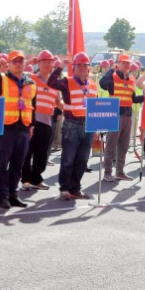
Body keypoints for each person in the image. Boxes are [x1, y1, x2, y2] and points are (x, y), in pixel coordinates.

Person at [0, 49, 35, 209]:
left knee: (18, 164)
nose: (18, 64)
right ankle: (3, 197)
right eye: (14, 61)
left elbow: (31, 105)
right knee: (3, 164)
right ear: (8, 64)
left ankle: (13, 194)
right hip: (6, 127)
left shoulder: (29, 82)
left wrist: (32, 125)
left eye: (20, 61)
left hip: (23, 128)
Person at [49, 52, 95, 200]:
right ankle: (65, 189)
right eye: (79, 65)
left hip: (88, 126)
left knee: (82, 160)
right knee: (68, 159)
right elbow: (51, 83)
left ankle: (75, 189)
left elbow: (95, 106)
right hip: (72, 126)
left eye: (85, 65)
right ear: (74, 67)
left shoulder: (93, 85)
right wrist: (60, 66)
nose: (82, 68)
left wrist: (95, 128)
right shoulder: (67, 82)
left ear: (88, 68)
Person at [99, 53, 144, 182]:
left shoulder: (131, 79)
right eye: (123, 63)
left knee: (124, 146)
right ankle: (108, 172)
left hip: (128, 115)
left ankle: (120, 171)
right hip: (115, 115)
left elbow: (133, 98)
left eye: (128, 63)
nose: (126, 65)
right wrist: (111, 69)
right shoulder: (112, 77)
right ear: (118, 64)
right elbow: (102, 84)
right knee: (111, 146)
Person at [21, 50, 58, 190]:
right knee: (27, 153)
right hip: (31, 122)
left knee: (42, 155)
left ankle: (36, 179)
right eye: (45, 61)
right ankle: (25, 180)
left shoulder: (55, 83)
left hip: (47, 123)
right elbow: (16, 73)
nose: (48, 64)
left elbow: (58, 101)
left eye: (50, 62)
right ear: (39, 63)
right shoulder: (31, 78)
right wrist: (30, 62)